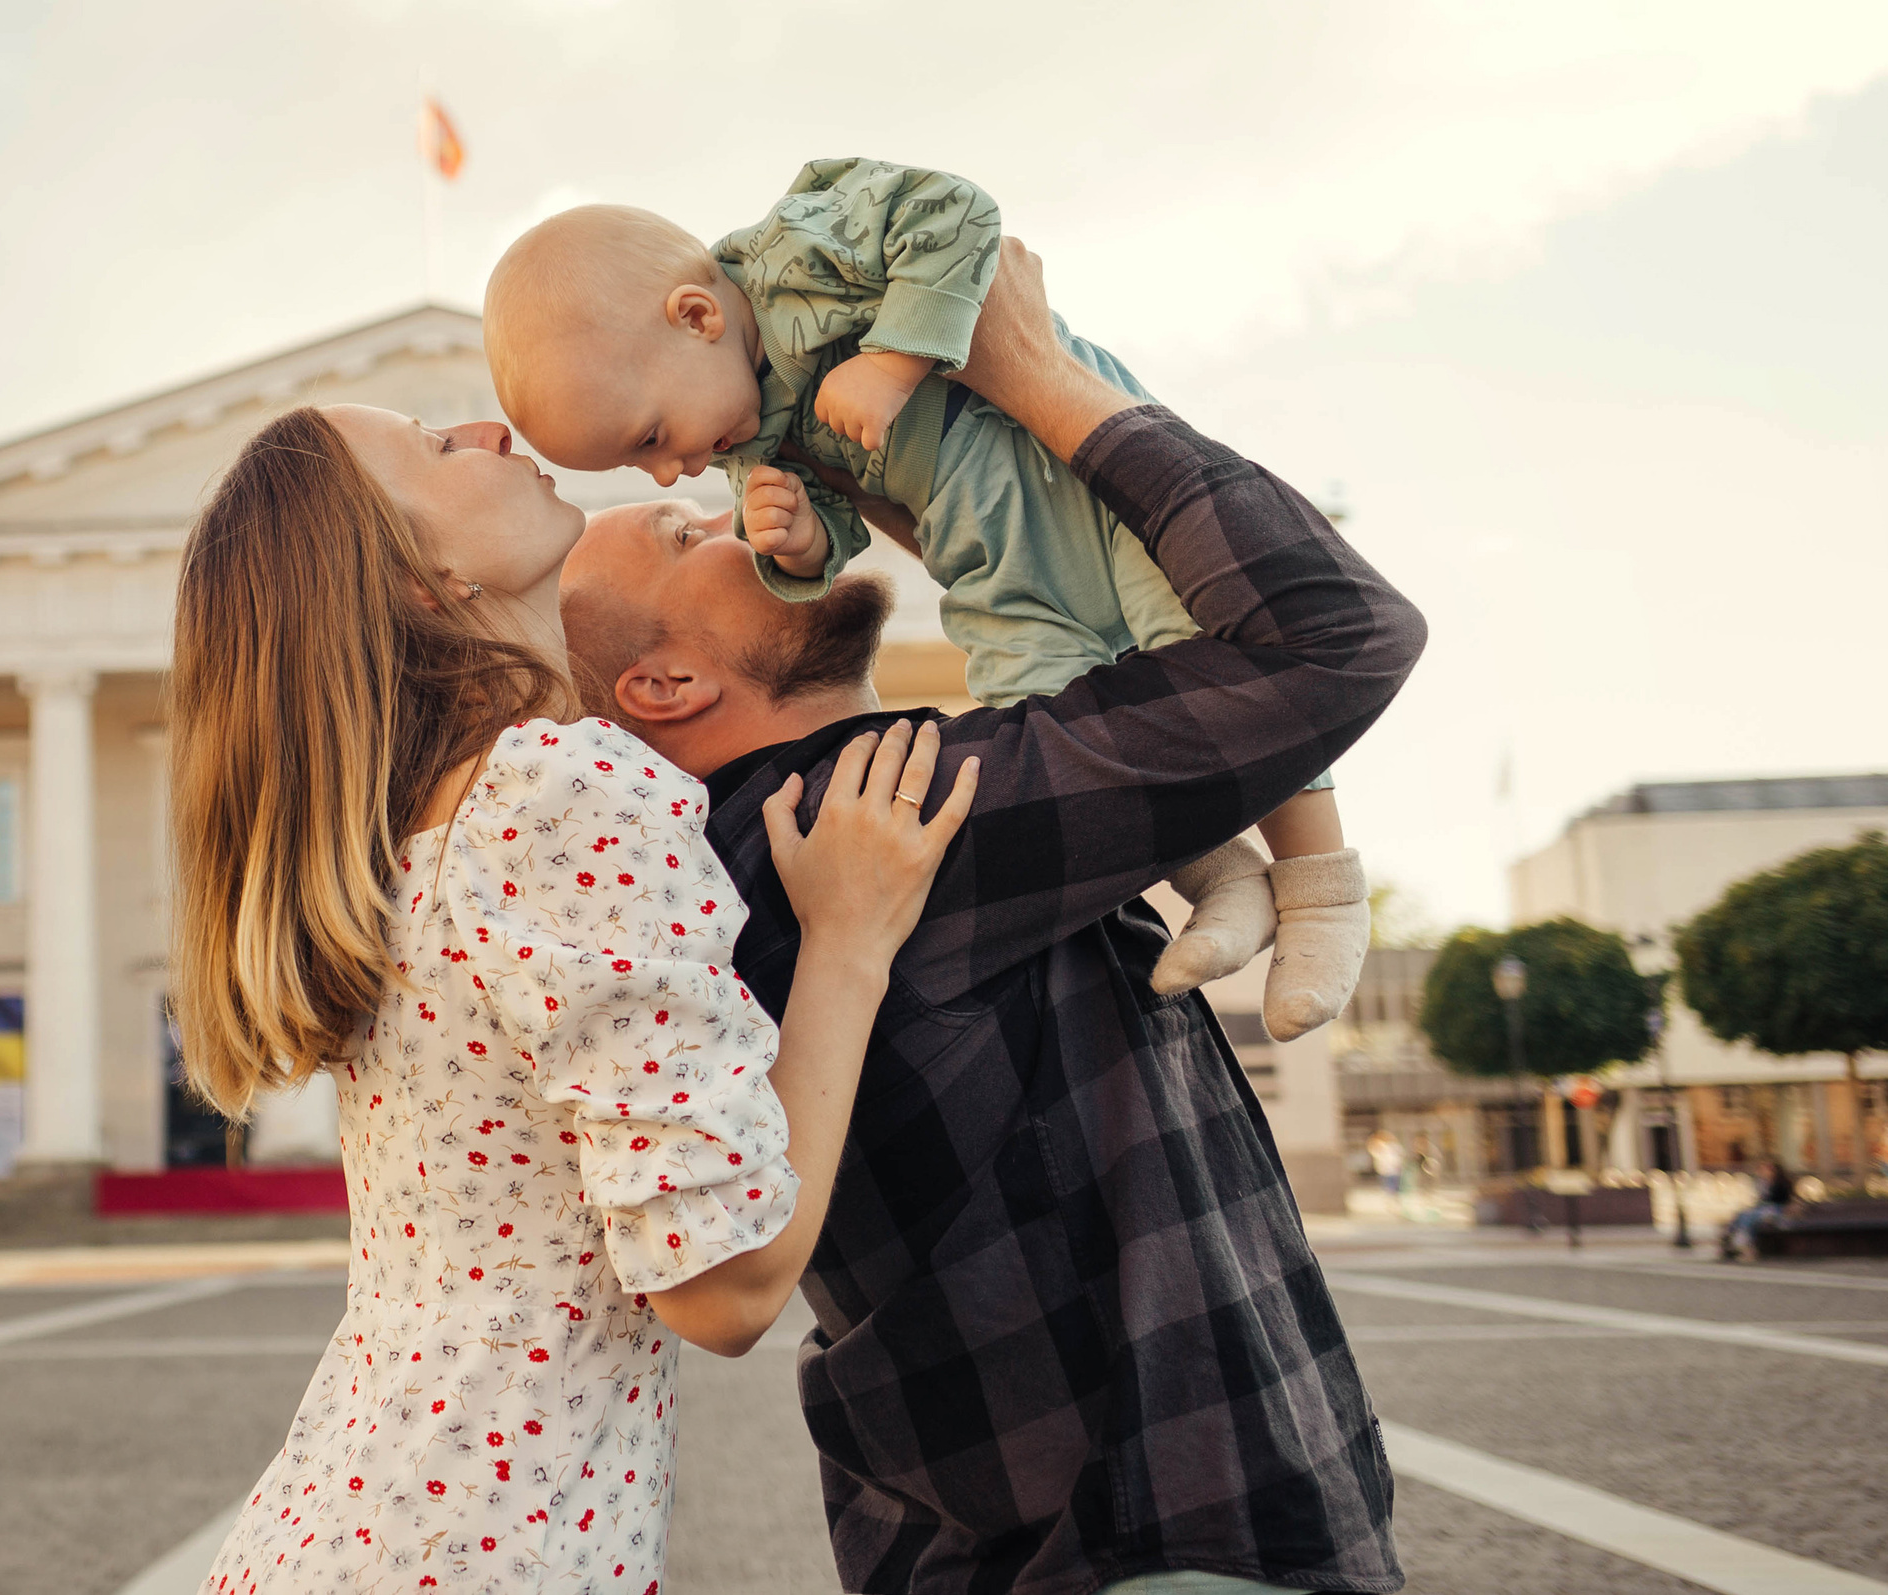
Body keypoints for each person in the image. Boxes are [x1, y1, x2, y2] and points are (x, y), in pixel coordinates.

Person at [558, 240, 1421, 1594]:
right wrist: (1041, 379)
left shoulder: (775, 857)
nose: (736, 509)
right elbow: (1332, 631)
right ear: (662, 680)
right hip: (1153, 1538)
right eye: (688, 532)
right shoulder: (891, 811)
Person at [165, 394, 978, 1593]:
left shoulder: (414, 833)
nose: (490, 428)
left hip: (358, 1520)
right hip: (484, 1547)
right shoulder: (557, 786)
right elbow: (727, 1283)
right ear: (418, 579)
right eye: (440, 449)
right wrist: (849, 939)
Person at [484, 159, 1371, 1045]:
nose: (682, 475)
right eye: (654, 485)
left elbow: (956, 215)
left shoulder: (798, 254)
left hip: (1066, 469)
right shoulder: (854, 832)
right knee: (1052, 688)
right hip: (989, 548)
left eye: (651, 446)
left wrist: (899, 360)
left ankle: (1321, 888)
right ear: (665, 682)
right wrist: (803, 539)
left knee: (1194, 630)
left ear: (698, 315)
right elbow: (1325, 640)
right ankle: (1220, 874)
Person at [1720, 1159, 1799, 1262]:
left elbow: (1784, 1201)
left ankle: (1743, 1243)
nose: (1763, 1172)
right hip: (1764, 1208)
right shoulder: (1763, 1183)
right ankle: (1733, 1238)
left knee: (1751, 1216)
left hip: (1777, 1210)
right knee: (1743, 1215)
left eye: (1766, 1169)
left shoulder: (1782, 1183)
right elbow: (1760, 1200)